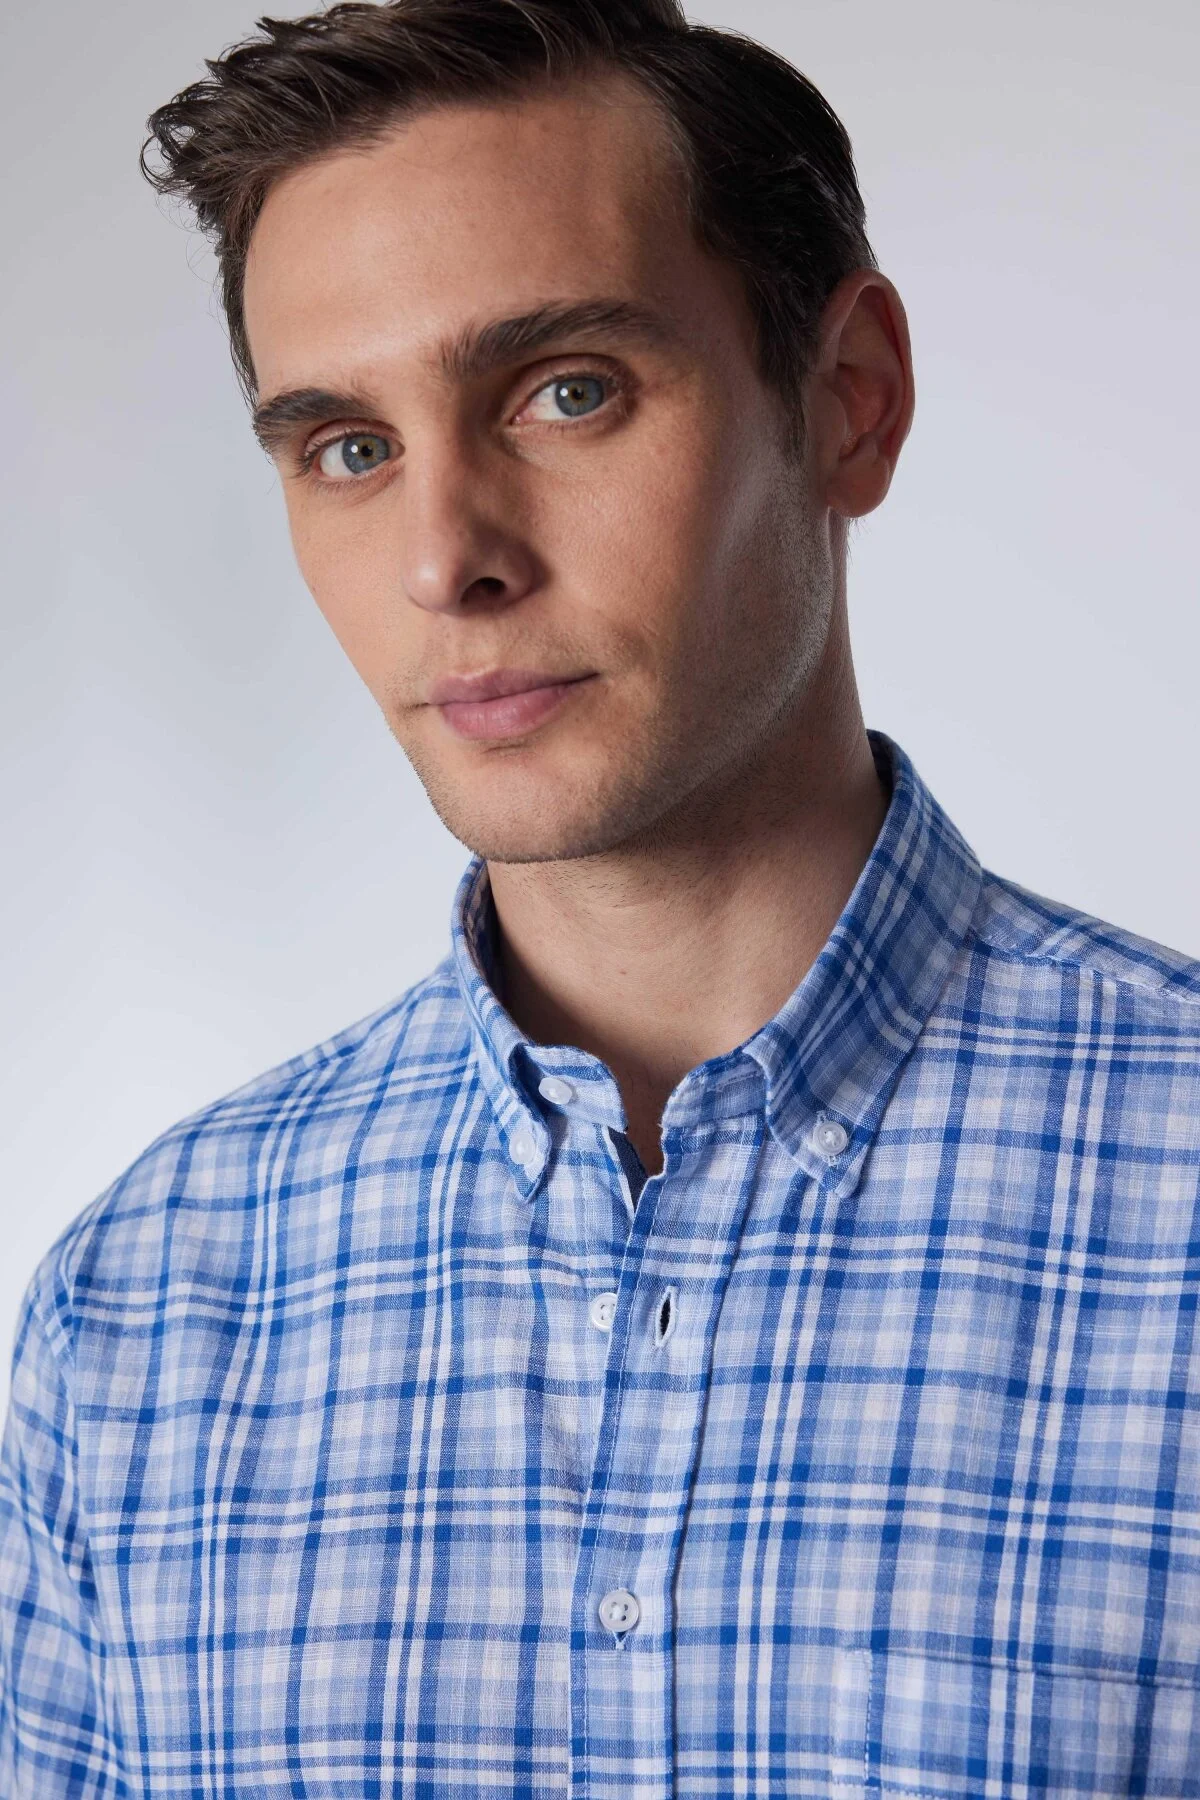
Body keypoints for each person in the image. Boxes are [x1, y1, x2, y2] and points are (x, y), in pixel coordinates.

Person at [2, 0, 1198, 1793]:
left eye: (567, 391)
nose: (444, 559)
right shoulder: (143, 1312)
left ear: (848, 401)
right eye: (348, 446)